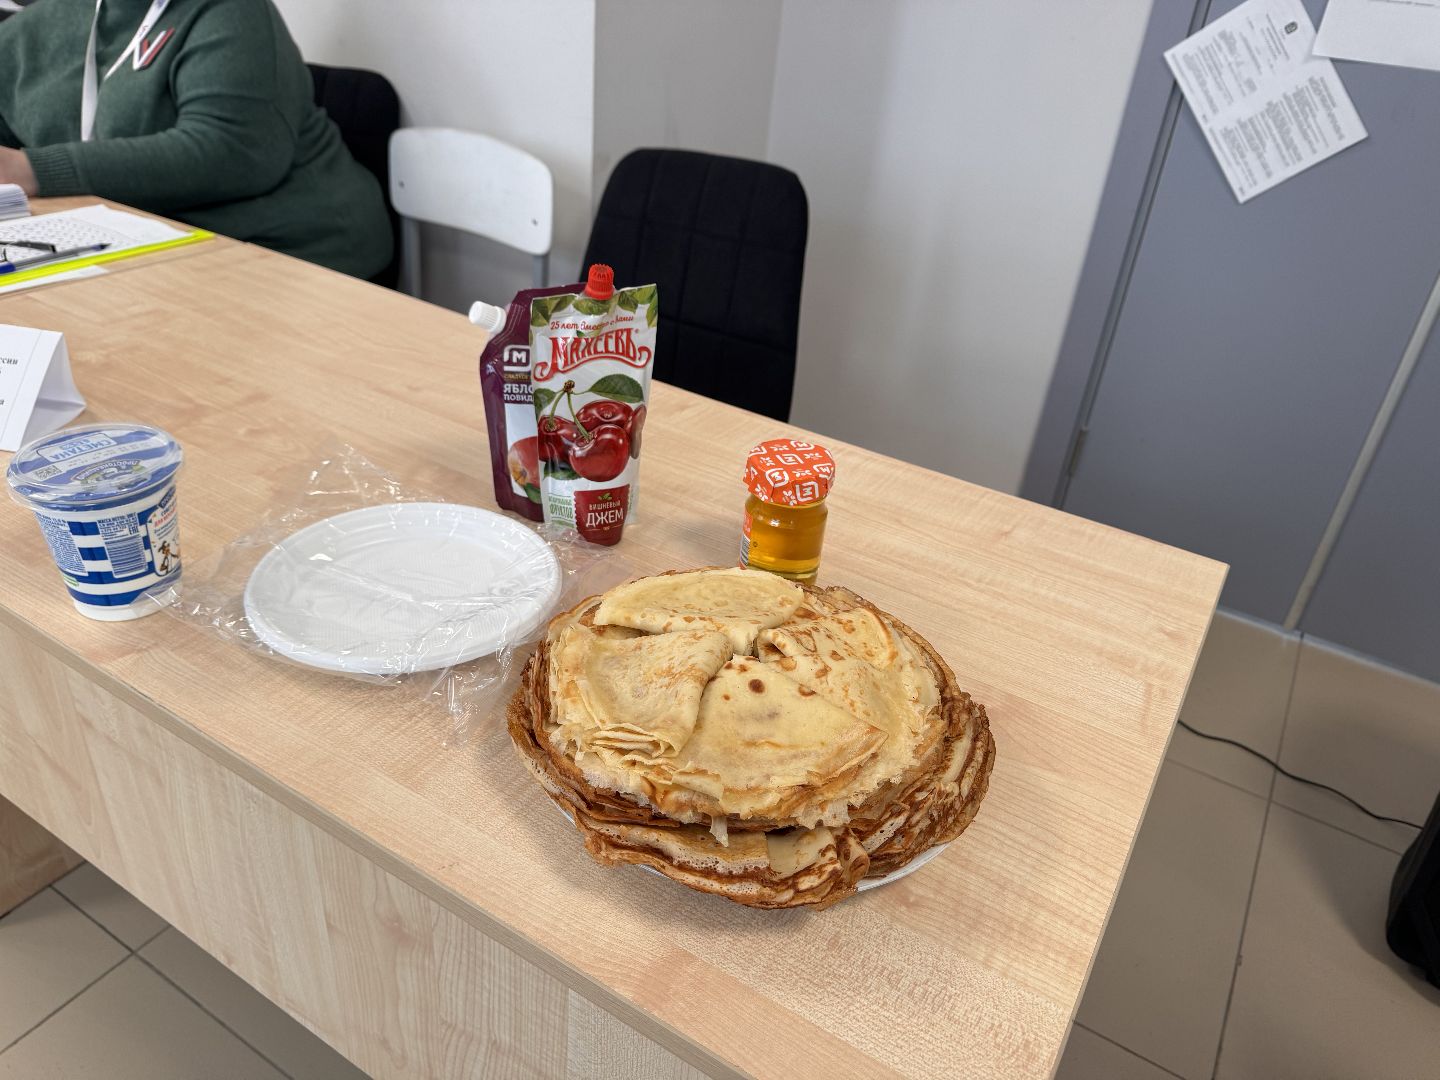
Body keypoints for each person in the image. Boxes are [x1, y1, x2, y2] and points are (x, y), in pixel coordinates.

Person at [0, 0, 392, 280]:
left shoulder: (231, 11)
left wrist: (33, 170)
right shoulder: (35, 25)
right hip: (133, 247)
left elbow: (234, 152)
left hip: (287, 251)